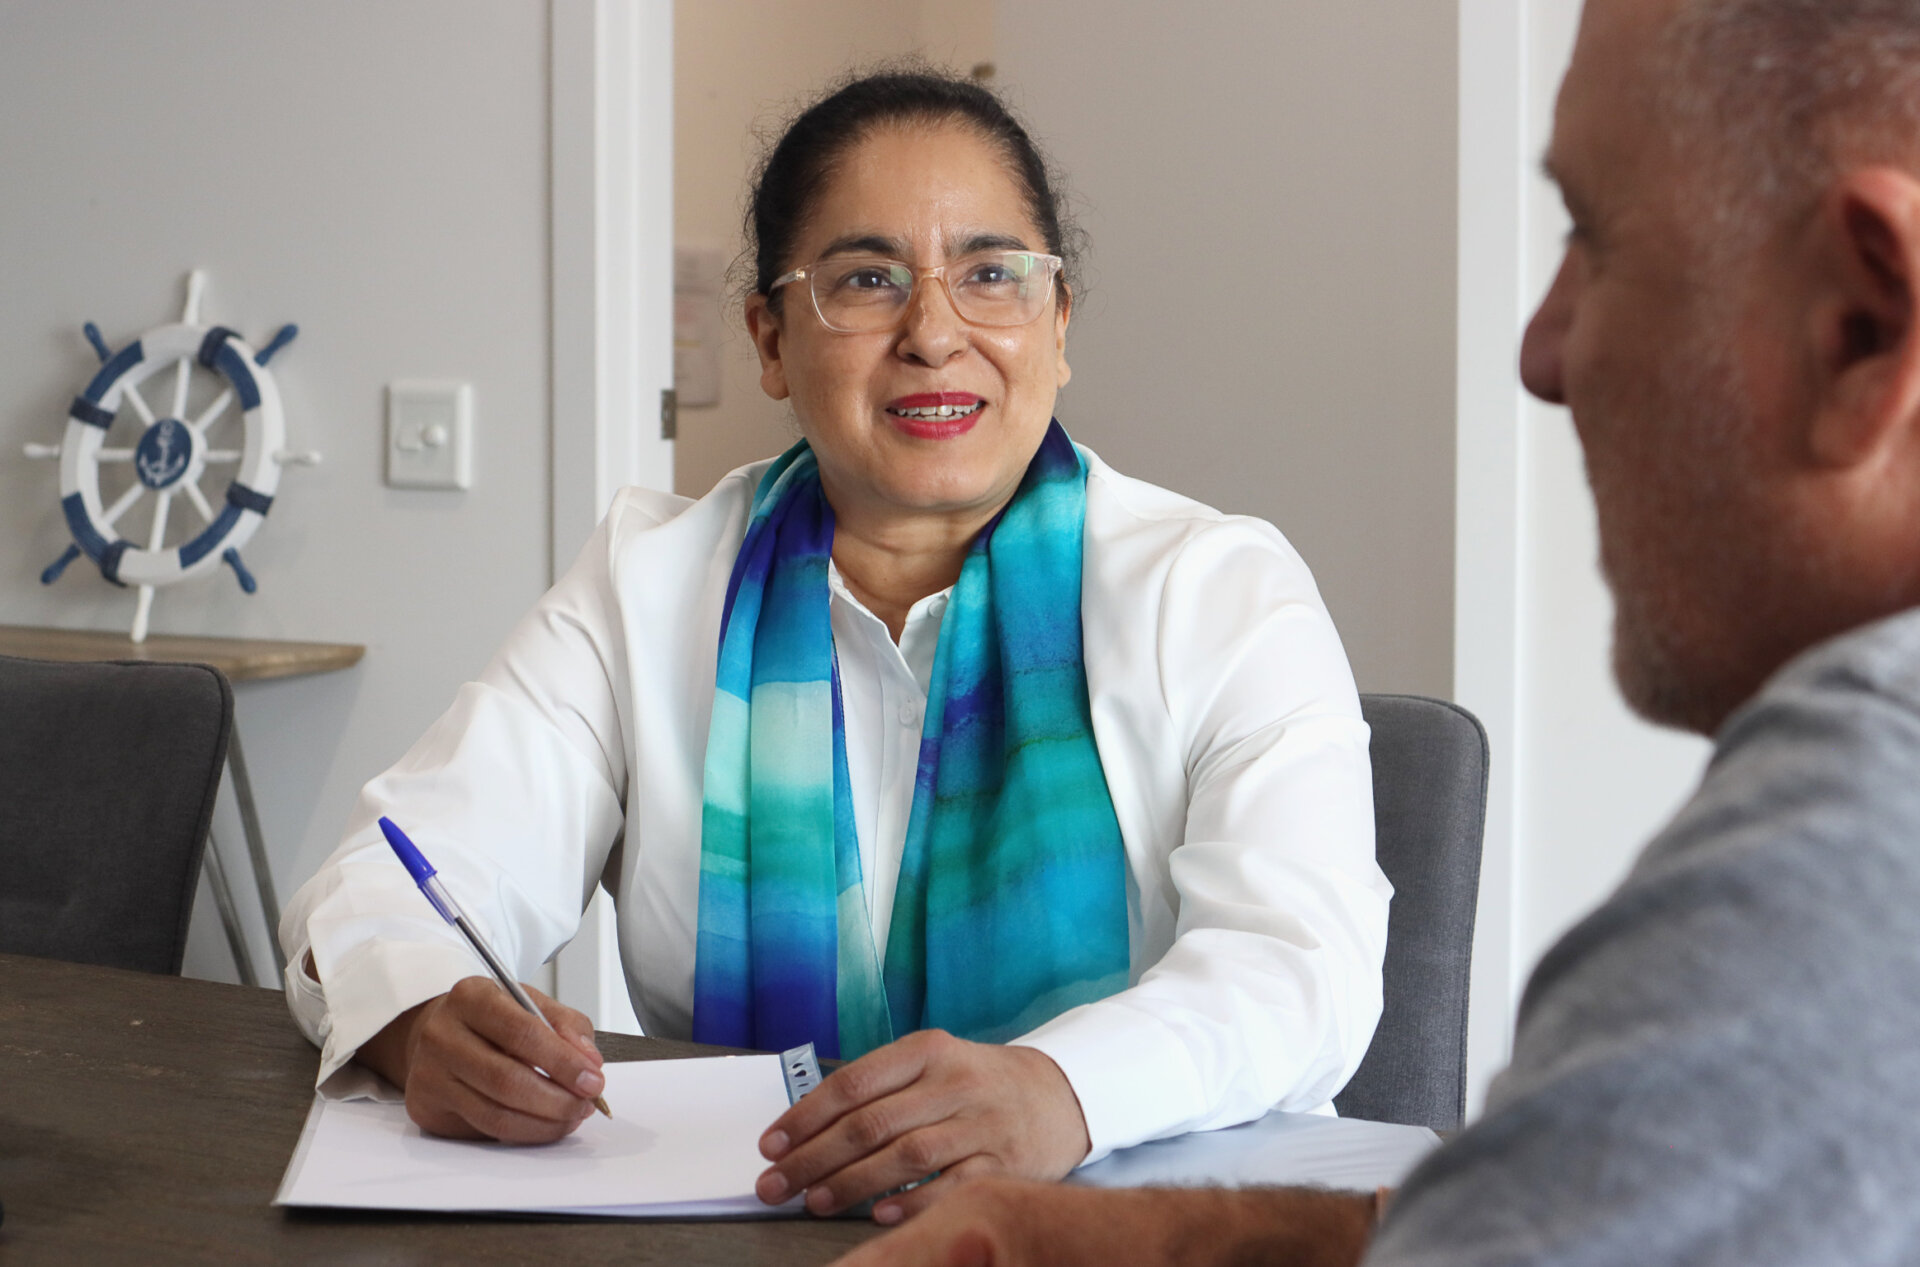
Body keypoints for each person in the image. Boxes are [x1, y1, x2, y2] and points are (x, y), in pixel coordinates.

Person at [829, 0, 1920, 1261]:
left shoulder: (1849, 864)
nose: (1540, 348)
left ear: (1863, 327)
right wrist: (1089, 1238)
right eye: (866, 278)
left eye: (1596, 238)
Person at [278, 70, 1390, 1224]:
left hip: (1121, 1239)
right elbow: (378, 884)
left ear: (1057, 328)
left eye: (991, 275)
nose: (935, 332)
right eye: (867, 279)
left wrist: (1059, 1088)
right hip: (751, 1233)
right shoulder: (650, 584)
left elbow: (1301, 968)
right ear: (769, 337)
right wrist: (422, 1016)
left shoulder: (1219, 591)